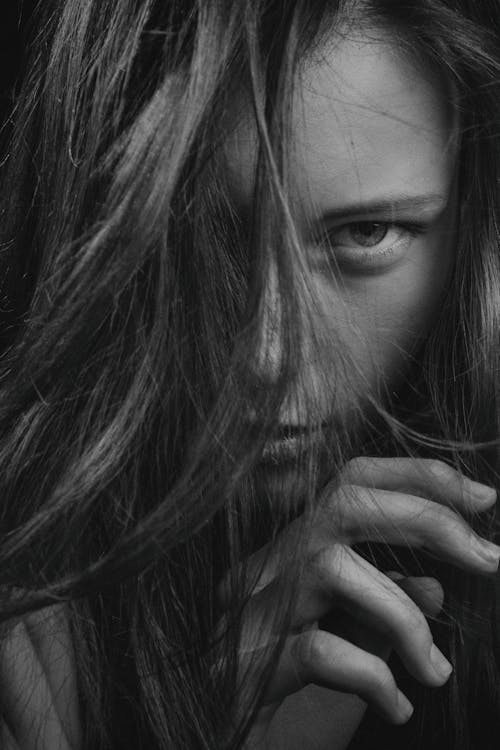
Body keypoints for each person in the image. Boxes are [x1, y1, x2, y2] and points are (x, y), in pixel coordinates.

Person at [1, 1, 500, 748]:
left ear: (474, 224)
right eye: (204, 241)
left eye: (366, 233)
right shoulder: (26, 651)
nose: (267, 358)